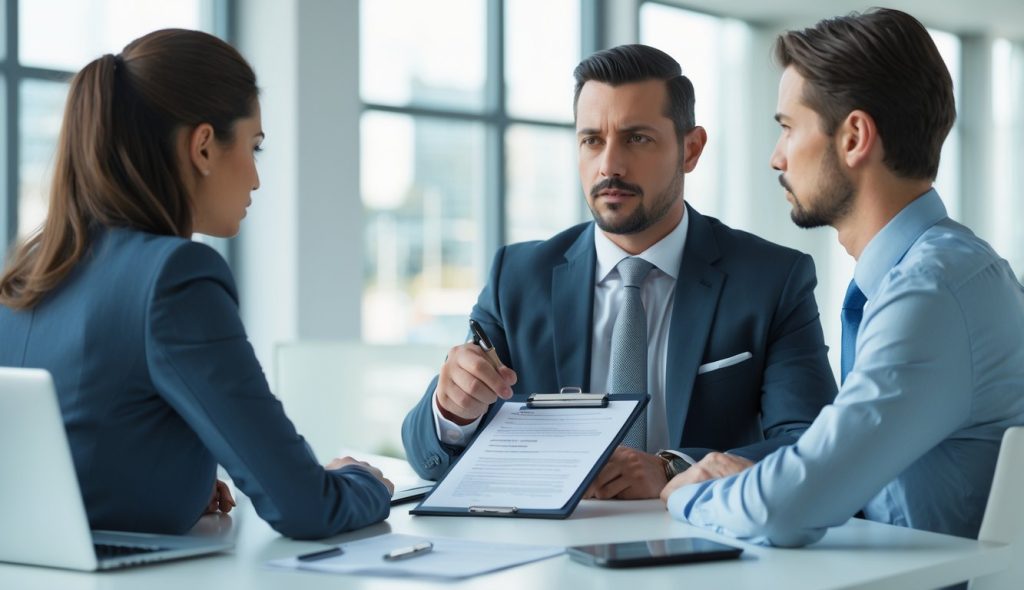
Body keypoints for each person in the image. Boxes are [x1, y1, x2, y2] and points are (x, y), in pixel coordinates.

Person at [0, 29, 393, 540]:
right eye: (254, 147)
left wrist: (178, 482)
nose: (254, 177)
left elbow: (82, 452)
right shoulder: (176, 276)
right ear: (203, 147)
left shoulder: (31, 271)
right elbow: (303, 504)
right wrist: (363, 479)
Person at [402, 44, 837, 500]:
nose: (609, 165)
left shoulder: (772, 279)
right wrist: (452, 410)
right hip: (551, 555)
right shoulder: (518, 277)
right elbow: (425, 455)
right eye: (592, 140)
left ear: (691, 149)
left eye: (637, 139)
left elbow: (809, 443)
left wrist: (672, 471)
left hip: (705, 547)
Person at [662, 8, 1024, 546]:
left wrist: (682, 492)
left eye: (787, 128)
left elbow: (783, 512)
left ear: (854, 136)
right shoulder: (947, 272)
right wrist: (768, 482)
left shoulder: (930, 293)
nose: (775, 157)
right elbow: (835, 472)